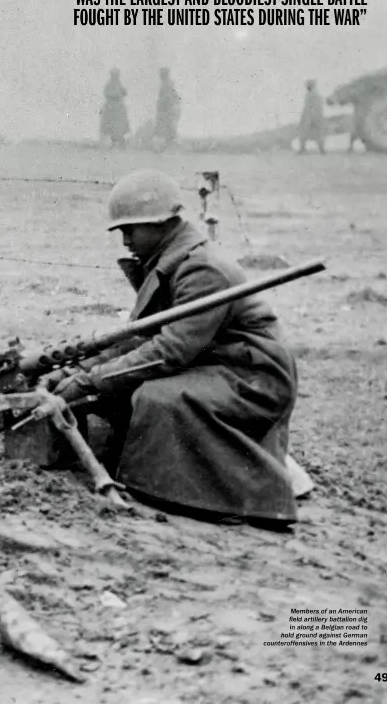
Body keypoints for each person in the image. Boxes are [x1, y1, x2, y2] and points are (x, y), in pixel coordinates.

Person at [48, 169, 301, 528]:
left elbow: (171, 349)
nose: (125, 241)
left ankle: (231, 499)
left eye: (130, 230)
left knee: (157, 397)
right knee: (123, 391)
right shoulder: (173, 261)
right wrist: (76, 371)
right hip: (217, 365)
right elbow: (139, 338)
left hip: (252, 376)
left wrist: (91, 381)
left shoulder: (201, 269)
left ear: (163, 223)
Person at [99, 68, 130, 149]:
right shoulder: (109, 84)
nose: (116, 77)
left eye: (117, 75)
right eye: (115, 75)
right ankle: (113, 143)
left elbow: (124, 92)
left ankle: (121, 143)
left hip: (119, 109)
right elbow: (106, 93)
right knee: (112, 127)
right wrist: (116, 94)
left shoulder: (119, 83)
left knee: (119, 127)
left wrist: (123, 92)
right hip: (111, 108)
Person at [154, 67, 181, 149]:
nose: (160, 76)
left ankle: (168, 144)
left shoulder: (166, 84)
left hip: (167, 110)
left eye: (161, 74)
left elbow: (167, 97)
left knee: (167, 126)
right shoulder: (168, 83)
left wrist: (161, 104)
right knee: (168, 127)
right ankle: (169, 143)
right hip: (168, 109)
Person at [298, 79, 325, 154]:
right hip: (314, 116)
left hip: (311, 116)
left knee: (305, 132)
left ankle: (303, 148)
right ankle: (321, 149)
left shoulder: (313, 95)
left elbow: (311, 107)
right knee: (317, 133)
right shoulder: (315, 95)